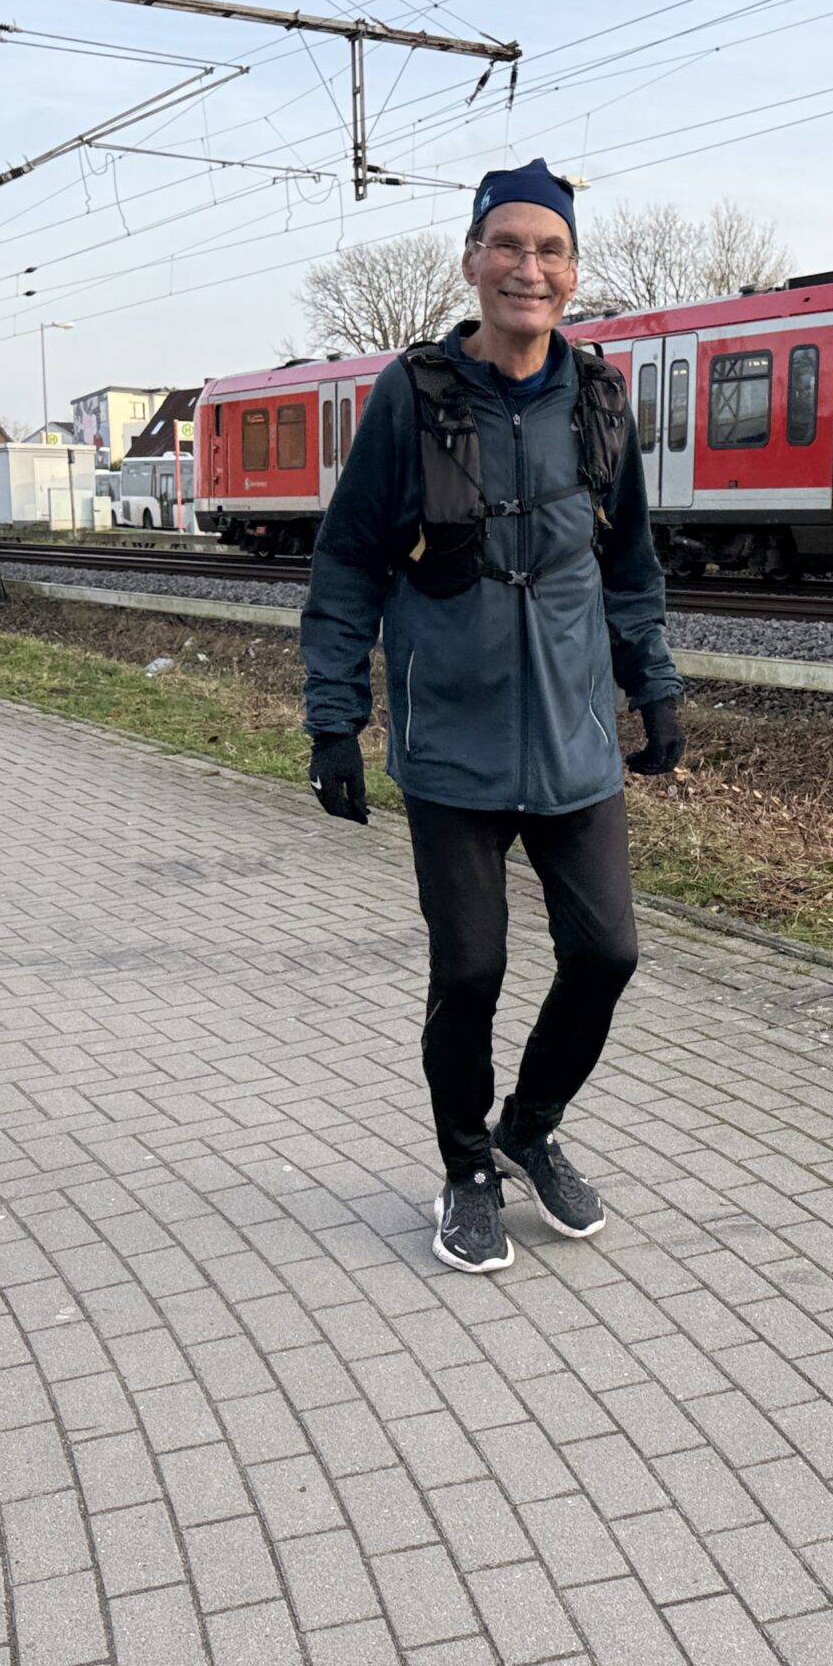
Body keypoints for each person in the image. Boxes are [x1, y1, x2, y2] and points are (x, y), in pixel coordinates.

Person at [301, 158, 684, 1275]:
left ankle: (530, 1126)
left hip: (573, 740)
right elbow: (348, 562)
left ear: (573, 273)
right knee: (469, 973)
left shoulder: (598, 402)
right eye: (507, 245)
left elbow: (630, 565)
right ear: (471, 260)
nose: (529, 267)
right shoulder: (413, 396)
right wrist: (334, 719)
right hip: (453, 746)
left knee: (606, 954)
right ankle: (466, 1165)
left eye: (550, 249)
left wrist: (654, 685)